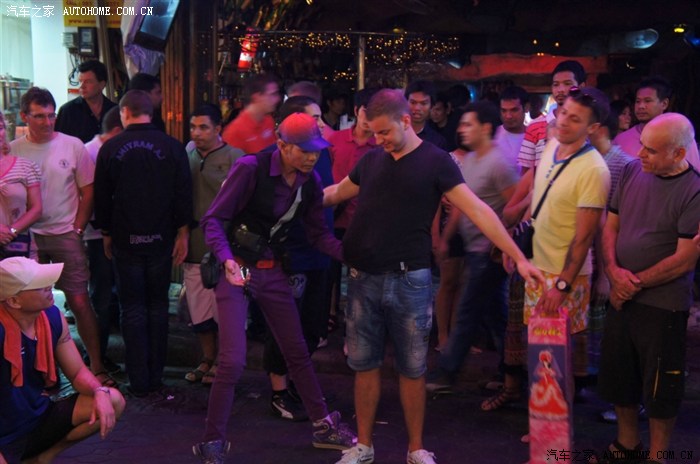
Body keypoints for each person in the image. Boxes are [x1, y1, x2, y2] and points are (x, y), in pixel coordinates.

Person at [322, 89, 544, 464]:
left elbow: (478, 210)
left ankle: (416, 449)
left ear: (405, 121)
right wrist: (294, 195)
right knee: (364, 365)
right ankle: (363, 446)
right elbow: (335, 193)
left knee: (413, 369)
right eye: (374, 133)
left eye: (384, 132)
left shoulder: (436, 161)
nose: (379, 140)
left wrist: (518, 257)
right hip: (363, 277)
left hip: (410, 278)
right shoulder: (372, 160)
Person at [195, 112, 356, 463]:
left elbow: (318, 235)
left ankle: (323, 426)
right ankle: (212, 440)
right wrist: (227, 260)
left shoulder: (309, 181)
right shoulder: (251, 168)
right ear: (282, 145)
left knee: (296, 351)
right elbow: (213, 219)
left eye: (316, 150)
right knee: (233, 360)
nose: (313, 156)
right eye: (305, 150)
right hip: (238, 266)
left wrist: (353, 256)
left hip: (272, 270)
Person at [598, 113, 700, 464]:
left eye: (652, 150)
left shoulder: (694, 190)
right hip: (622, 292)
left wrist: (630, 284)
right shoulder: (631, 171)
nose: (640, 154)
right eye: (642, 145)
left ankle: (658, 456)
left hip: (663, 303)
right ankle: (627, 444)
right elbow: (610, 227)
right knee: (619, 375)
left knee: (661, 385)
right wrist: (613, 271)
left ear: (678, 153)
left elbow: (684, 259)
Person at [93, 90, 193, 397]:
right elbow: (183, 194)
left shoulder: (111, 149)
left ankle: (138, 380)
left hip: (125, 239)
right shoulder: (173, 147)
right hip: (162, 238)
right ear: (152, 112)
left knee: (132, 307)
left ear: (124, 113)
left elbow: (102, 198)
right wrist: (183, 233)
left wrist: (106, 233)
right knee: (158, 306)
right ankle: (156, 376)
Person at [10, 87, 110, 384]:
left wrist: (78, 227)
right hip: (27, 236)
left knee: (79, 301)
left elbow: (88, 190)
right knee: (31, 305)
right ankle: (43, 372)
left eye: (51, 115)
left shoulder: (72, 145)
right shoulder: (14, 149)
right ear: (25, 116)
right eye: (39, 116)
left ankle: (97, 365)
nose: (47, 122)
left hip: (65, 232)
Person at [426, 101, 520, 392]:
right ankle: (512, 371)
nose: (462, 129)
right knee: (496, 315)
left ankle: (447, 372)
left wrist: (505, 244)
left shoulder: (499, 163)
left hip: (489, 253)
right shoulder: (470, 160)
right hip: (474, 250)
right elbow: (460, 205)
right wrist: (445, 238)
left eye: (469, 124)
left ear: (486, 128)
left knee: (467, 311)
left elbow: (516, 206)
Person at [523, 87, 611, 392]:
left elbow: (584, 237)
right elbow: (538, 200)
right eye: (563, 113)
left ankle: (559, 421)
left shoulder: (594, 170)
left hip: (564, 275)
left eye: (575, 119)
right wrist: (520, 250)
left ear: (592, 128)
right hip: (536, 266)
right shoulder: (551, 146)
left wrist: (562, 285)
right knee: (539, 355)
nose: (563, 122)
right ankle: (542, 417)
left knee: (558, 359)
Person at [0, 257, 125, 464]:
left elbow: (77, 373)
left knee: (113, 400)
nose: (49, 286)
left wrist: (99, 391)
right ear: (14, 301)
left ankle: (42, 457)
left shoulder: (52, 317)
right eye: (39, 285)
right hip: (4, 431)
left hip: (37, 416)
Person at [183, 105, 244, 385]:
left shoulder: (235, 158)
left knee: (225, 310)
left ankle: (223, 361)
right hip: (194, 243)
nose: (197, 133)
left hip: (225, 247)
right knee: (199, 310)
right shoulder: (187, 155)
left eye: (203, 127)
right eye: (193, 127)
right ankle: (207, 358)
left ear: (218, 128)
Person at [326, 88, 379, 326]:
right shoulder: (335, 140)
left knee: (360, 275)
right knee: (330, 270)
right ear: (357, 111)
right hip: (335, 214)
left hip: (366, 219)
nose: (371, 119)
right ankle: (329, 314)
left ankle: (355, 321)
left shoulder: (381, 145)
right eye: (368, 112)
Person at [83, 107, 124, 376]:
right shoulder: (90, 152)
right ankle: (96, 356)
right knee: (101, 296)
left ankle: (100, 355)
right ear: (119, 130)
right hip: (98, 234)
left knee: (109, 294)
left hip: (111, 232)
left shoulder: (97, 149)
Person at [614, 76, 700, 170]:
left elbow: (694, 174)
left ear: (664, 104)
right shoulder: (621, 140)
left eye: (647, 101)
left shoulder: (681, 137)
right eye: (638, 101)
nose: (641, 106)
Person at [518, 60, 587, 172]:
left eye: (567, 83)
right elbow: (527, 172)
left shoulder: (588, 126)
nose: (560, 90)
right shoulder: (534, 127)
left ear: (581, 87)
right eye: (556, 84)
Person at [0, 111, 42, 260]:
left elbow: (36, 209)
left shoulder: (25, 166)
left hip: (19, 244)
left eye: (0, 128)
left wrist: (11, 231)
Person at [55, 60, 118, 143]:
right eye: (80, 81)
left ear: (102, 84)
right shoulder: (67, 111)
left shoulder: (115, 111)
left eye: (88, 82)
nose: (82, 86)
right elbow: (59, 143)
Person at [222, 73, 280, 154]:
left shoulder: (268, 120)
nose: (277, 99)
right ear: (256, 97)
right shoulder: (234, 132)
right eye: (273, 94)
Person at [404, 80, 447, 150]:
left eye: (423, 103)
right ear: (405, 102)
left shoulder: (437, 141)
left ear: (431, 106)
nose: (417, 108)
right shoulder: (395, 133)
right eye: (413, 102)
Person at [494, 85, 529, 167]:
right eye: (504, 111)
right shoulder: (492, 136)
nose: (508, 116)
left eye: (514, 110)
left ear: (526, 108)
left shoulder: (534, 137)